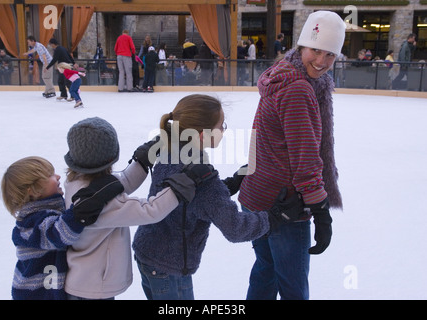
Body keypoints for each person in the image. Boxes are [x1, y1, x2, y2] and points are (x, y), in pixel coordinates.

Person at [132, 94, 308, 300]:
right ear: (201, 135)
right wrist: (277, 216)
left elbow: (191, 201)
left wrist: (233, 182)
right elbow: (236, 228)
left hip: (148, 253)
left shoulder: (169, 149)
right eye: (221, 125)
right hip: (169, 268)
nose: (224, 130)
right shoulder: (201, 177)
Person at [238, 10, 345, 300]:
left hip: (258, 197)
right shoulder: (297, 89)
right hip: (285, 207)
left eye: (330, 55)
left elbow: (264, 137)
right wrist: (322, 213)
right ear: (301, 46)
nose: (321, 62)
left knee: (266, 268)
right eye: (315, 50)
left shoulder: (281, 75)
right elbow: (305, 160)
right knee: (293, 287)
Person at [62, 117, 215, 300]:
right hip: (92, 288)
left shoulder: (79, 183)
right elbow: (151, 210)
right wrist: (181, 186)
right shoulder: (97, 205)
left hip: (89, 282)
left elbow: (123, 182)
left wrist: (143, 161)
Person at [1, 156, 124, 300]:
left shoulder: (50, 210)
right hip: (36, 294)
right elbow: (59, 234)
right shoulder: (29, 226)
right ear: (33, 190)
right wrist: (82, 208)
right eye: (50, 175)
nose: (58, 176)